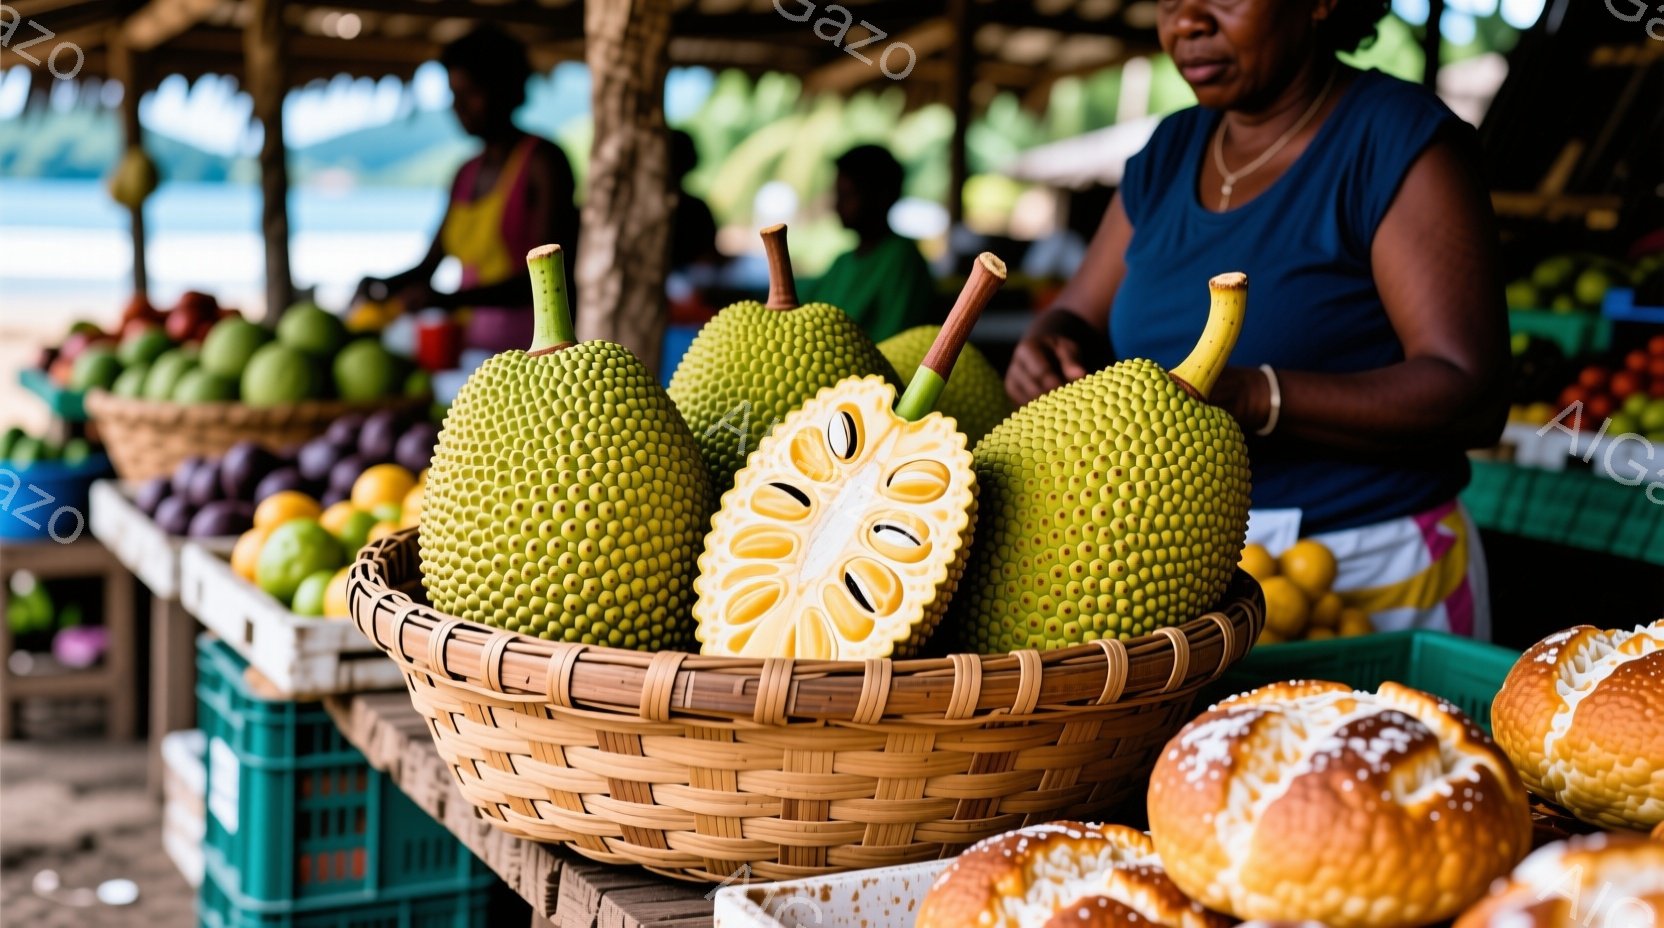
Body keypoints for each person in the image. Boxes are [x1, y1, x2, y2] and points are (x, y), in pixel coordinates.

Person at [1005, 0, 1510, 637]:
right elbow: (1078, 309)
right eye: (1169, 0)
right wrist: (1048, 343)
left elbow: (1471, 392)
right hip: (1180, 575)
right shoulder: (1169, 152)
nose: (1188, 21)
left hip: (1373, 565)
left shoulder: (1391, 138)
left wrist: (1256, 395)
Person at [354, 25, 579, 354]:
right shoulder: (465, 174)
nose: (458, 106)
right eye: (453, 95)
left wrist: (448, 300)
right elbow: (430, 264)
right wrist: (384, 284)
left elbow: (549, 276)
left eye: (470, 93)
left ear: (504, 90)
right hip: (473, 350)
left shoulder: (543, 163)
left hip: (536, 355)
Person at [807, 145, 937, 341]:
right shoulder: (842, 263)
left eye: (847, 195)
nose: (837, 205)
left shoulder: (901, 259)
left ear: (881, 196)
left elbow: (895, 339)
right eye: (838, 194)